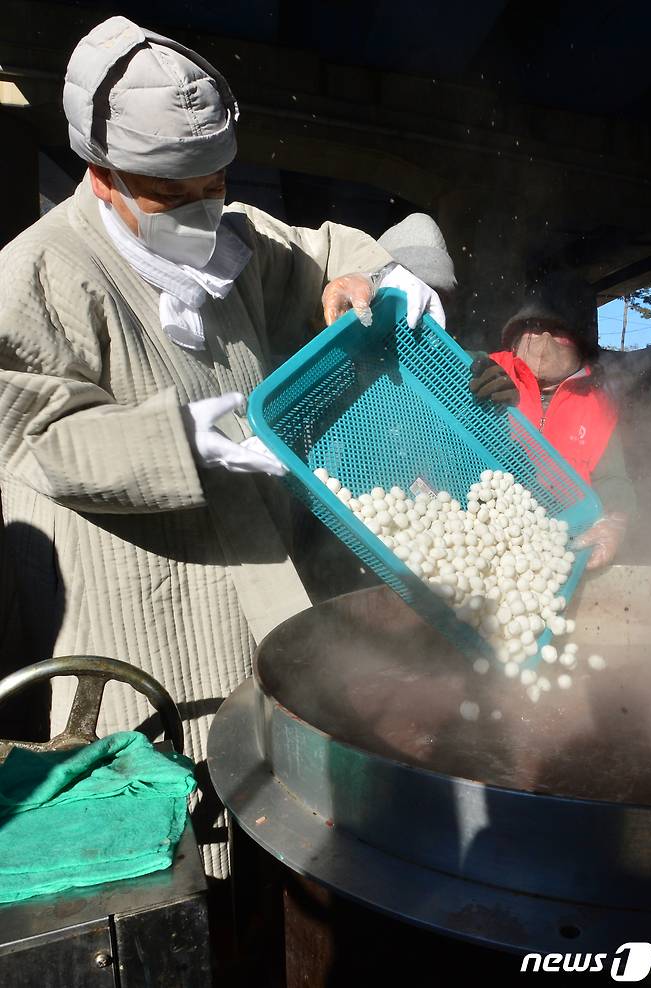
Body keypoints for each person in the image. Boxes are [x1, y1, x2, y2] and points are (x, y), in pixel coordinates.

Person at [0, 16, 446, 879]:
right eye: (173, 193)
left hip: (262, 582)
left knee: (275, 804)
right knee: (174, 822)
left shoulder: (231, 237)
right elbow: (29, 436)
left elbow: (321, 251)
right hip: (145, 605)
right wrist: (176, 441)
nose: (203, 208)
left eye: (214, 181)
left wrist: (378, 272)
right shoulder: (37, 274)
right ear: (103, 174)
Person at [469, 272, 635, 568]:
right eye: (533, 327)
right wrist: (467, 389)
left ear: (580, 343)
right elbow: (431, 369)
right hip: (475, 534)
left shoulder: (598, 405)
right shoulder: (488, 369)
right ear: (516, 334)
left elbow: (613, 481)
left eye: (558, 331)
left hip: (556, 549)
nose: (543, 341)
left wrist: (616, 520)